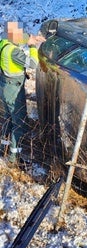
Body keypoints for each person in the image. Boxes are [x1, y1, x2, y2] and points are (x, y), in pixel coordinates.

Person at [0, 21, 45, 164]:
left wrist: (32, 37)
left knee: (8, 119)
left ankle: (3, 148)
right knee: (18, 123)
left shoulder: (3, 42)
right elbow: (32, 63)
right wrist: (32, 46)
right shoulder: (14, 52)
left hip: (4, 86)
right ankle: (14, 158)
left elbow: (17, 36)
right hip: (14, 89)